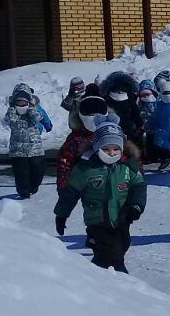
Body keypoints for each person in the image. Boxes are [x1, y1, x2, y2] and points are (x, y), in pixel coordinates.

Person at [54, 119, 146, 273]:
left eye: (116, 149)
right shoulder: (85, 169)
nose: (111, 153)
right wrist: (61, 215)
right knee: (112, 255)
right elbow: (70, 193)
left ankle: (95, 277)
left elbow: (139, 186)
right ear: (97, 148)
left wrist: (136, 206)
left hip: (122, 218)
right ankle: (121, 280)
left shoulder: (127, 167)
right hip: (97, 221)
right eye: (106, 149)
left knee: (122, 245)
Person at [56, 92, 109, 193]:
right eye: (90, 114)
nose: (94, 118)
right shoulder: (76, 138)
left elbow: (128, 156)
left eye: (98, 114)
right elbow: (64, 160)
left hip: (112, 184)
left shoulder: (111, 134)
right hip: (86, 186)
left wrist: (136, 177)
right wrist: (64, 185)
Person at [4, 86, 50, 199]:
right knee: (21, 174)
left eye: (24, 103)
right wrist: (11, 107)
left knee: (39, 170)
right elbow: (11, 121)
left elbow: (37, 118)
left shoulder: (33, 112)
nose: (21, 106)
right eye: (18, 103)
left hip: (36, 149)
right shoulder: (12, 113)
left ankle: (34, 187)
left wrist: (32, 108)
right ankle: (23, 192)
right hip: (18, 151)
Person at [99, 71, 145, 154]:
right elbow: (136, 115)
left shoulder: (106, 100)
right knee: (129, 151)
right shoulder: (130, 100)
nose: (119, 93)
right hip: (128, 130)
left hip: (112, 131)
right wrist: (140, 125)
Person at [137, 79, 159, 164]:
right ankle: (148, 157)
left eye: (147, 94)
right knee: (146, 142)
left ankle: (156, 156)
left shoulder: (157, 102)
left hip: (155, 126)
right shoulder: (141, 103)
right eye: (143, 94)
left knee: (155, 142)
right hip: (144, 126)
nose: (145, 97)